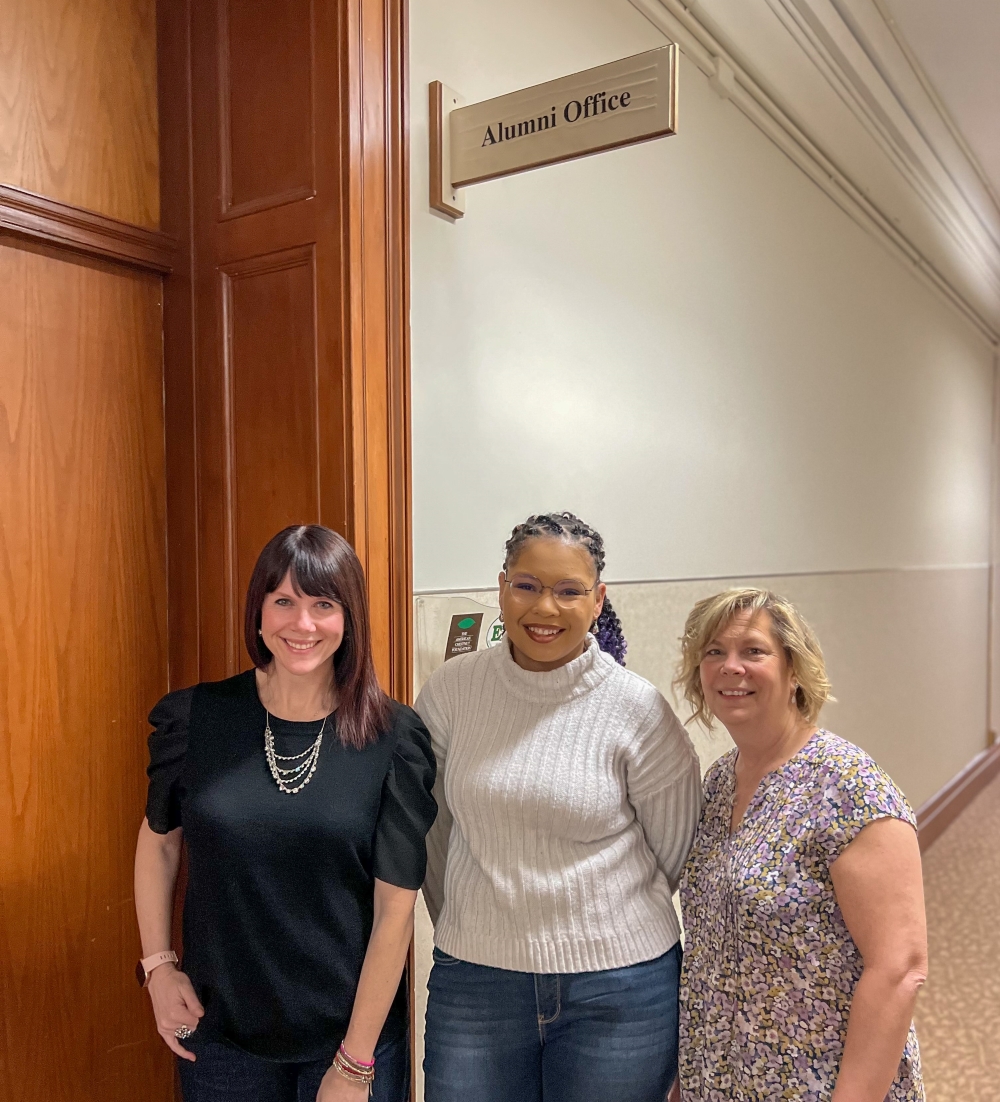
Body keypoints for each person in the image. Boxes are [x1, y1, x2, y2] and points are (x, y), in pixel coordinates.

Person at [133, 525, 437, 1102]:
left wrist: (354, 1062)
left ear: (349, 620)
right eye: (284, 602)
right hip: (219, 1037)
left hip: (349, 1038)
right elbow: (159, 841)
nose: (302, 625)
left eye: (323, 604)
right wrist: (158, 967)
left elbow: (395, 912)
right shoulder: (198, 718)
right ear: (259, 611)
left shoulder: (393, 739)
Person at [417, 511, 702, 1102]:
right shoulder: (451, 691)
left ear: (598, 600)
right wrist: (477, 922)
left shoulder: (638, 710)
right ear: (502, 587)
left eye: (569, 591)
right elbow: (433, 830)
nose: (544, 608)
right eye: (527, 586)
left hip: (622, 988)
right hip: (477, 981)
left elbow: (674, 848)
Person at [674, 588, 926, 1102]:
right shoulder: (722, 779)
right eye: (714, 652)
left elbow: (898, 969)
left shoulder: (847, 786)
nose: (731, 668)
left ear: (795, 671)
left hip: (817, 1081)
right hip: (722, 1077)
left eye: (753, 651)